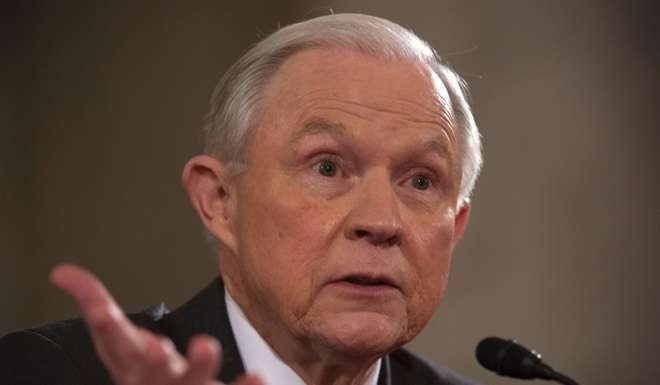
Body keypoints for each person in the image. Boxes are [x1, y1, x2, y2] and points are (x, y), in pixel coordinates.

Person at [0, 13, 483, 385]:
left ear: (455, 228)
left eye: (420, 181)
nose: (381, 221)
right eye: (327, 167)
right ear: (219, 201)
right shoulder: (48, 372)